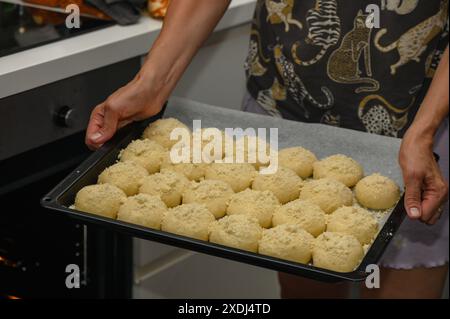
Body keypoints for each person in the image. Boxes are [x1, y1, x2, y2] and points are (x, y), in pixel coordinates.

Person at [86, 0, 449, 299]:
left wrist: (424, 130)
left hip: (419, 122)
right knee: (303, 276)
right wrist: (150, 82)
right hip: (282, 105)